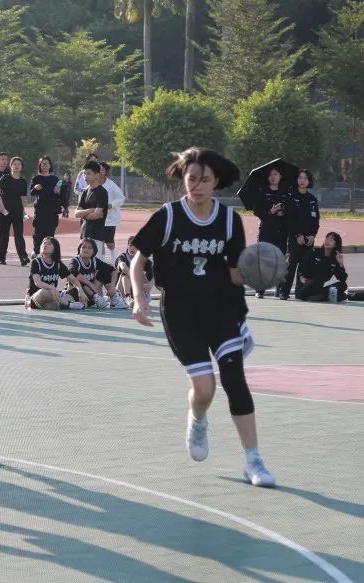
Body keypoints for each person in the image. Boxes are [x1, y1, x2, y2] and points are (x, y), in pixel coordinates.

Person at [129, 146, 276, 488]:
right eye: (191, 178)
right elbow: (138, 260)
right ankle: (197, 418)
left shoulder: (229, 221)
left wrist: (260, 273)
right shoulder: (168, 216)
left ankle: (253, 460)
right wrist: (139, 298)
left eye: (204, 180)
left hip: (222, 308)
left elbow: (235, 273)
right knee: (205, 386)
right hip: (181, 312)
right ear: (184, 179)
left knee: (235, 380)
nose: (196, 186)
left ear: (216, 183)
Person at [280, 169, 320, 300]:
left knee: (304, 267)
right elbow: (289, 219)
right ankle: (284, 292)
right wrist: (298, 235)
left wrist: (313, 235)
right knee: (291, 266)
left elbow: (316, 220)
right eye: (300, 178)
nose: (302, 181)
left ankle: (300, 292)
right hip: (295, 239)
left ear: (309, 181)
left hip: (309, 240)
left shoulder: (312, 199)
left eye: (305, 178)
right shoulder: (291, 197)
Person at [252, 167, 290, 298]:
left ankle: (279, 290)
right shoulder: (262, 191)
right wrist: (270, 212)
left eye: (275, 174)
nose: (273, 177)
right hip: (266, 230)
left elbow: (291, 210)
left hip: (281, 231)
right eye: (270, 175)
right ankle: (260, 290)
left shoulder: (285, 192)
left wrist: (283, 213)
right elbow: (257, 211)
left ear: (280, 176)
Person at [65, 238, 128, 309]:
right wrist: (90, 284)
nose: (86, 249)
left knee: (104, 272)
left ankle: (114, 298)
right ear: (79, 249)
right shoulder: (75, 261)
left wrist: (112, 288)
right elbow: (72, 274)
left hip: (90, 292)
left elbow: (114, 270)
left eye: (89, 248)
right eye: (84, 247)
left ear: (94, 251)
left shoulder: (94, 261)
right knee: (80, 280)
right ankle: (95, 298)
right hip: (76, 291)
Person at [26, 236, 85, 310]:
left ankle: (63, 303)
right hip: (35, 297)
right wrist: (52, 288)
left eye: (49, 244)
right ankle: (69, 304)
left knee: (58, 303)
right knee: (46, 291)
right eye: (44, 243)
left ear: (55, 249)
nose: (45, 245)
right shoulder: (36, 262)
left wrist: (81, 291)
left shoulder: (58, 264)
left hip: (52, 296)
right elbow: (37, 283)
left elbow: (73, 279)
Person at [0, 156, 30, 266]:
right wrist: (0, 204)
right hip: (4, 210)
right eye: (14, 164)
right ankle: (1, 258)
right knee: (3, 234)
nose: (16, 166)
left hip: (18, 211)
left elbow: (23, 198)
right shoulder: (5, 178)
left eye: (19, 164)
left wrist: (25, 211)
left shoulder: (23, 182)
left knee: (19, 235)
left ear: (21, 167)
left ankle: (23, 257)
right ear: (11, 166)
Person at [296, 232, 348, 302]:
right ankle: (323, 296)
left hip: (319, 288)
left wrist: (341, 264)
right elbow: (301, 267)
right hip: (307, 286)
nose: (327, 241)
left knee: (343, 285)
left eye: (331, 240)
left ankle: (319, 296)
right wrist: (301, 277)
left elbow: (342, 278)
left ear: (336, 244)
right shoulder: (314, 252)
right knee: (316, 281)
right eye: (327, 238)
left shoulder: (334, 260)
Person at [30, 156, 63, 256]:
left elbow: (60, 196)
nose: (45, 165)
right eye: (42, 164)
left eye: (46, 163)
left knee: (50, 233)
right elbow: (31, 192)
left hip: (52, 210)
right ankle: (36, 251)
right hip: (40, 209)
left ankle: (48, 253)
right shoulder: (36, 178)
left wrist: (58, 192)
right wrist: (35, 188)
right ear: (40, 166)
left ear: (50, 165)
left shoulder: (55, 179)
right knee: (38, 232)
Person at [74, 161, 108, 255]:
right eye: (84, 174)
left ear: (97, 175)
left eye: (88, 173)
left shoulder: (102, 192)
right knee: (82, 263)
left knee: (96, 263)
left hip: (96, 237)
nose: (85, 176)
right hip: (84, 236)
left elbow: (97, 215)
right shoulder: (85, 191)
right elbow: (76, 214)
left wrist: (83, 214)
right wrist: (90, 210)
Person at [115, 236, 154, 307]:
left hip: (139, 290)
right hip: (122, 292)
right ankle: (127, 297)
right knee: (125, 273)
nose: (132, 248)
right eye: (130, 245)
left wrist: (150, 285)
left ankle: (142, 297)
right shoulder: (122, 257)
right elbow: (123, 267)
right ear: (127, 246)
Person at [99, 162, 125, 263]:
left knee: (109, 242)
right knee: (100, 240)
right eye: (98, 169)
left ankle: (113, 255)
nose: (100, 171)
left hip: (110, 218)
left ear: (106, 171)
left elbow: (121, 198)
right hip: (98, 216)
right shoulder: (94, 183)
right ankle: (101, 261)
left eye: (102, 169)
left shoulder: (111, 184)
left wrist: (111, 205)